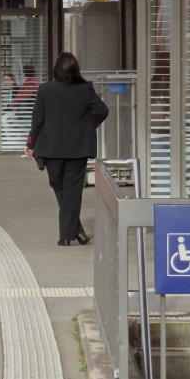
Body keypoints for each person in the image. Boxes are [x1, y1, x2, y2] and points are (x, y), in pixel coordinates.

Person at [24, 51, 109, 246]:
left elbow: (37, 119)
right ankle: (75, 231)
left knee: (59, 186)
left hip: (51, 148)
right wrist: (89, 126)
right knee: (72, 190)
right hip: (77, 148)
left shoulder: (45, 89)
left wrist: (30, 143)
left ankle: (67, 235)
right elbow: (103, 110)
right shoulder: (85, 89)